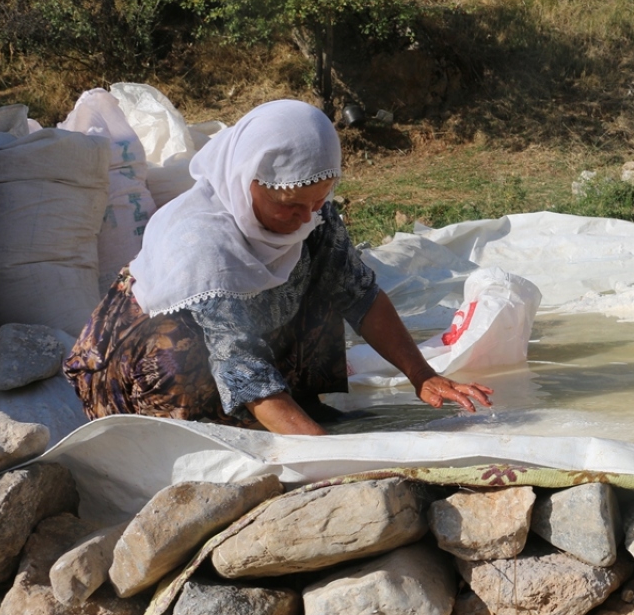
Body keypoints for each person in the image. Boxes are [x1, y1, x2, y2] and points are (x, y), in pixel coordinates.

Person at [65, 99, 492, 435]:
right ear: (245, 178)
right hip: (138, 378)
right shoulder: (202, 241)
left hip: (238, 358)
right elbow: (242, 368)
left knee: (320, 271)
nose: (306, 217)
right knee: (175, 351)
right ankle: (214, 430)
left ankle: (293, 415)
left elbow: (361, 295)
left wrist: (423, 375)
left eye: (318, 202)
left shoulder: (310, 219)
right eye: (289, 205)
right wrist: (337, 461)